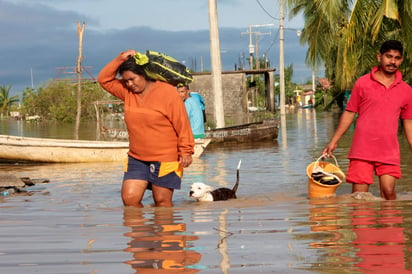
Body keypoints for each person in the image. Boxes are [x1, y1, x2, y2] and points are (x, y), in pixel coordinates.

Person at [98, 49, 194, 207]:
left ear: (144, 74)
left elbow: (182, 123)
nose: (129, 84)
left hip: (166, 158)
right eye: (126, 80)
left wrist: (186, 150)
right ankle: (141, 232)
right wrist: (119, 59)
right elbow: (104, 80)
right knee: (130, 200)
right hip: (137, 158)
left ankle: (168, 232)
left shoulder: (168, 93)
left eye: (132, 79)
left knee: (162, 203)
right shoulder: (127, 92)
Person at [322, 40, 412, 200]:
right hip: (362, 149)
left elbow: (408, 122)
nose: (392, 61)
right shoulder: (363, 83)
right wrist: (334, 141)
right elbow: (349, 113)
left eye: (397, 58)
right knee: (359, 197)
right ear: (379, 57)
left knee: (389, 193)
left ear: (401, 60)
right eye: (389, 56)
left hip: (389, 150)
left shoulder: (406, 91)